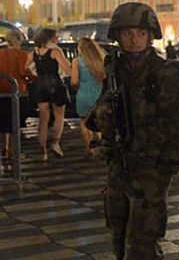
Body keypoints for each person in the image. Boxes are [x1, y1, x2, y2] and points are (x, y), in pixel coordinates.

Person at [91, 3, 179, 260]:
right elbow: (106, 106)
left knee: (142, 248)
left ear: (151, 36)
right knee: (120, 242)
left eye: (140, 33)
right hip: (119, 167)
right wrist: (99, 123)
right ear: (117, 36)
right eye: (127, 33)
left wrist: (136, 141)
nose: (133, 39)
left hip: (149, 171)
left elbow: (174, 124)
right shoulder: (114, 69)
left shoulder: (166, 72)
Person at [26, 28, 71, 160]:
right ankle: (55, 142)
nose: (57, 39)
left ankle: (43, 150)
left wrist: (35, 76)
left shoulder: (34, 52)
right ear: (50, 38)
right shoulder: (55, 52)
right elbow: (67, 69)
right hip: (55, 84)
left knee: (43, 118)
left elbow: (25, 67)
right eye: (56, 37)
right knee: (59, 116)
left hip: (40, 85)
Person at [0, 30, 32, 169]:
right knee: (15, 123)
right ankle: (14, 153)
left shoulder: (0, 53)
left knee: (3, 122)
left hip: (1, 91)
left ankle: (4, 150)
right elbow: (23, 72)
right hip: (17, 91)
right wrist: (32, 78)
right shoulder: (22, 54)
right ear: (19, 40)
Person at [71, 37, 106, 158]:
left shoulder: (77, 61)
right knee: (102, 121)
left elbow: (74, 81)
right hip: (100, 94)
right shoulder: (101, 59)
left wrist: (77, 87)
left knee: (84, 122)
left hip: (84, 95)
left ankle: (89, 148)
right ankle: (103, 145)